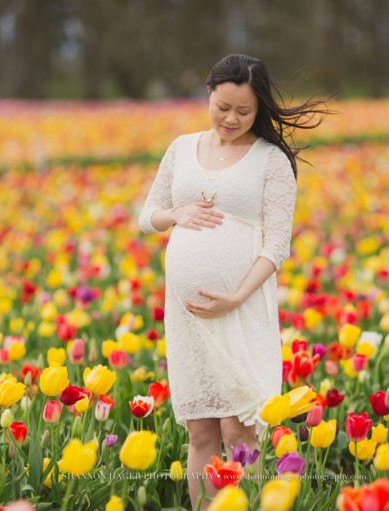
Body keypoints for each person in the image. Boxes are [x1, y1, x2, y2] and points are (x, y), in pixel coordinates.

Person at [138, 54, 327, 509]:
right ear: (209, 93)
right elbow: (148, 216)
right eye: (223, 107)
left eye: (244, 112)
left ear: (260, 109)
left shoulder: (272, 162)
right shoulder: (182, 149)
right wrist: (176, 214)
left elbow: (277, 246)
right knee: (201, 429)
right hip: (188, 319)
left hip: (241, 310)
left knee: (237, 430)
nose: (231, 119)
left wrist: (237, 296)